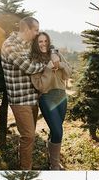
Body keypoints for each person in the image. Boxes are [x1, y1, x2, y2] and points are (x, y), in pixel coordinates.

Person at [1, 17, 46, 170]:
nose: (37, 33)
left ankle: (26, 163)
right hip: (20, 100)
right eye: (36, 30)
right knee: (28, 136)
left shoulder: (29, 44)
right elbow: (28, 67)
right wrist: (46, 64)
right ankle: (25, 169)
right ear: (27, 29)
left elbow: (46, 48)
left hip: (33, 97)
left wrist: (52, 54)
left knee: (29, 136)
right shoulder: (10, 45)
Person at [30, 32, 71, 170]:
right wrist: (48, 68)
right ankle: (54, 165)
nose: (43, 44)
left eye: (46, 41)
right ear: (36, 43)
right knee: (58, 132)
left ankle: (51, 159)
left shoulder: (56, 54)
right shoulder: (34, 61)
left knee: (56, 130)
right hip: (46, 97)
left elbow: (68, 74)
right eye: (40, 41)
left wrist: (61, 65)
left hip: (61, 96)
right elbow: (40, 85)